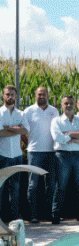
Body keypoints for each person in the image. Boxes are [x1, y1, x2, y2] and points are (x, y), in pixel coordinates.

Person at [50, 95, 79, 224]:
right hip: (62, 155)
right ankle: (55, 215)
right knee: (61, 185)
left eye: (71, 103)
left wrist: (67, 134)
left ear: (74, 105)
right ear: (62, 105)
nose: (69, 105)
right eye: (66, 103)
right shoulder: (56, 121)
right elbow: (58, 138)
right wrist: (74, 137)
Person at [23, 86, 59, 223]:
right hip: (34, 152)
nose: (42, 96)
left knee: (50, 184)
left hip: (51, 152)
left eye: (44, 94)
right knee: (33, 184)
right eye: (39, 94)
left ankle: (49, 214)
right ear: (35, 95)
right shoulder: (28, 111)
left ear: (48, 95)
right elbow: (23, 132)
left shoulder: (54, 111)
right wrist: (30, 144)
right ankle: (33, 215)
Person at [0, 85, 29, 221]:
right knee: (0, 188)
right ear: (3, 96)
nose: (10, 97)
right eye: (7, 94)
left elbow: (25, 130)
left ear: (16, 97)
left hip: (16, 156)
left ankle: (14, 218)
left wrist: (8, 128)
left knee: (15, 189)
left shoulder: (21, 114)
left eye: (12, 94)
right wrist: (17, 129)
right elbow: (0, 132)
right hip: (2, 155)